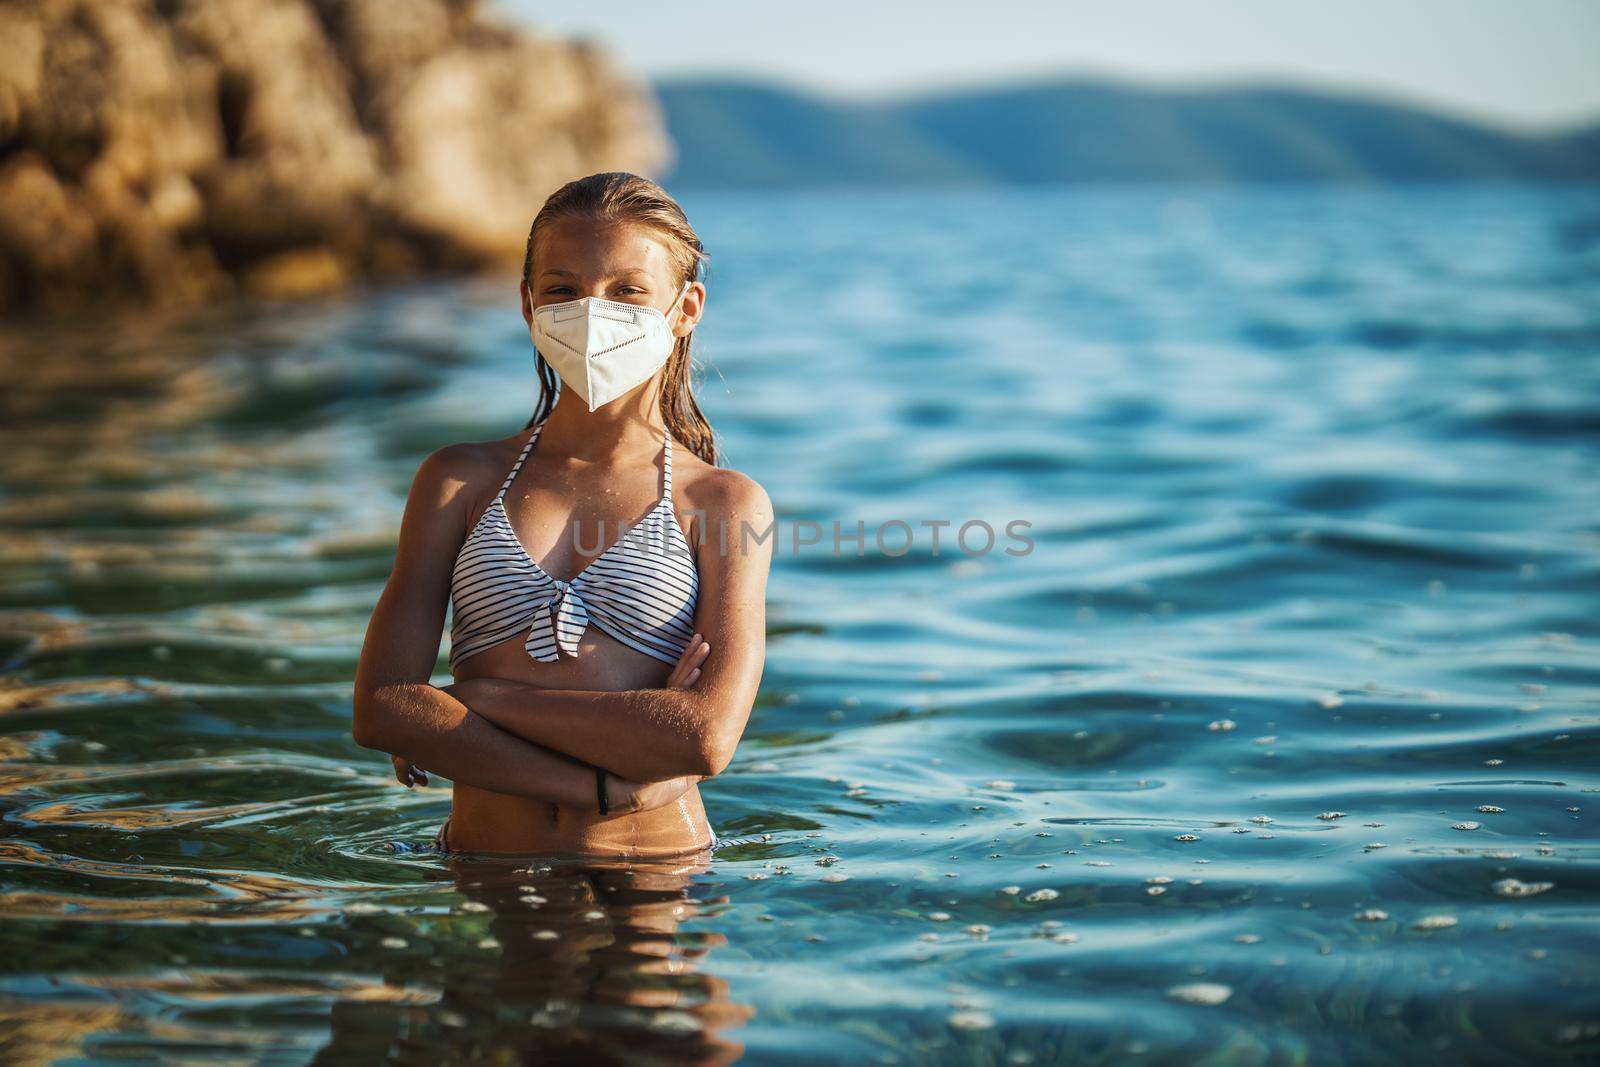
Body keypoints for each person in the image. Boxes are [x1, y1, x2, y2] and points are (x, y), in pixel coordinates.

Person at [352, 172, 774, 859]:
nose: (591, 311)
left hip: (656, 875)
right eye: (562, 290)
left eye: (627, 291)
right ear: (526, 304)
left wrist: (477, 696)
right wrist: (607, 788)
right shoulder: (458, 480)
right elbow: (381, 709)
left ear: (687, 307)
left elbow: (703, 736)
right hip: (482, 864)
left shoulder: (721, 502)